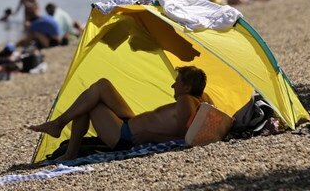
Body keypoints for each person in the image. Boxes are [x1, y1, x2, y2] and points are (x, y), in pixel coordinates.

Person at [28, 66, 208, 161]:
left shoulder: (186, 100)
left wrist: (150, 136)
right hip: (130, 122)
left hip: (126, 136)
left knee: (89, 104)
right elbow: (213, 114)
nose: (173, 86)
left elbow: (182, 137)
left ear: (187, 87)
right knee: (102, 85)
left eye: (177, 82)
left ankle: (68, 148)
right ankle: (59, 125)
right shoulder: (201, 99)